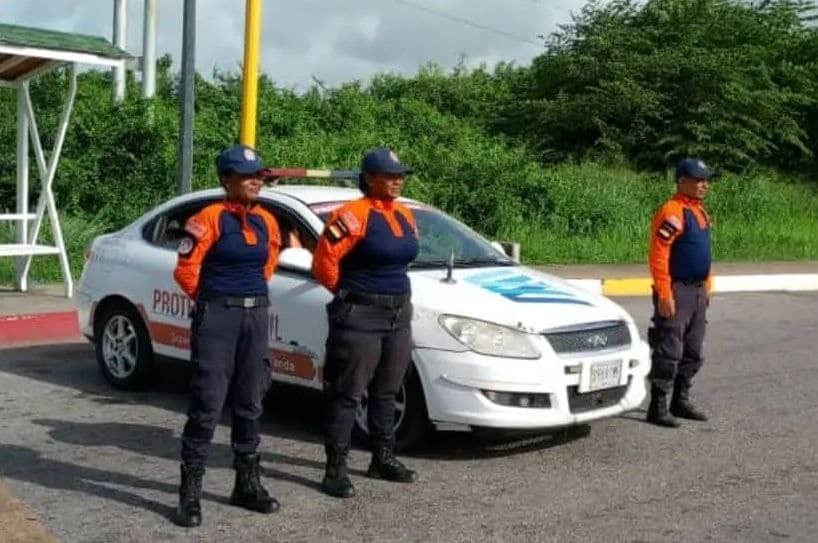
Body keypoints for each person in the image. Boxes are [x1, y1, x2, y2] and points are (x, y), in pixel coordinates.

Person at [172, 144, 282, 526]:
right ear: (226, 179)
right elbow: (186, 270)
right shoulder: (208, 217)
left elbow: (268, 262)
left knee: (251, 401)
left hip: (256, 314)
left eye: (258, 176)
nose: (255, 182)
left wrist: (250, 296)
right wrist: (215, 301)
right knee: (208, 403)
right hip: (218, 315)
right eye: (246, 176)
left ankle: (246, 485)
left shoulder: (267, 220)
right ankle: (190, 495)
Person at [311, 147, 420, 498]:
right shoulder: (352, 215)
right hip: (360, 315)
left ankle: (382, 457)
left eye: (400, 175)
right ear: (370, 178)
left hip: (398, 314)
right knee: (347, 392)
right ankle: (335, 469)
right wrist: (350, 295)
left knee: (387, 389)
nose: (397, 181)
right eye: (390, 175)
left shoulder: (404, 213)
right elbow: (324, 263)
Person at [646, 157, 715, 428]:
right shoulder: (672, 211)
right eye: (698, 180)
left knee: (693, 351)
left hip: (697, 292)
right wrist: (664, 293)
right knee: (668, 349)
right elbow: (659, 255)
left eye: (706, 180)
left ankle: (680, 400)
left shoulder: (700, 211)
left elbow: (703, 254)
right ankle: (658, 405)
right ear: (682, 181)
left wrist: (707, 286)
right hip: (677, 290)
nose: (704, 185)